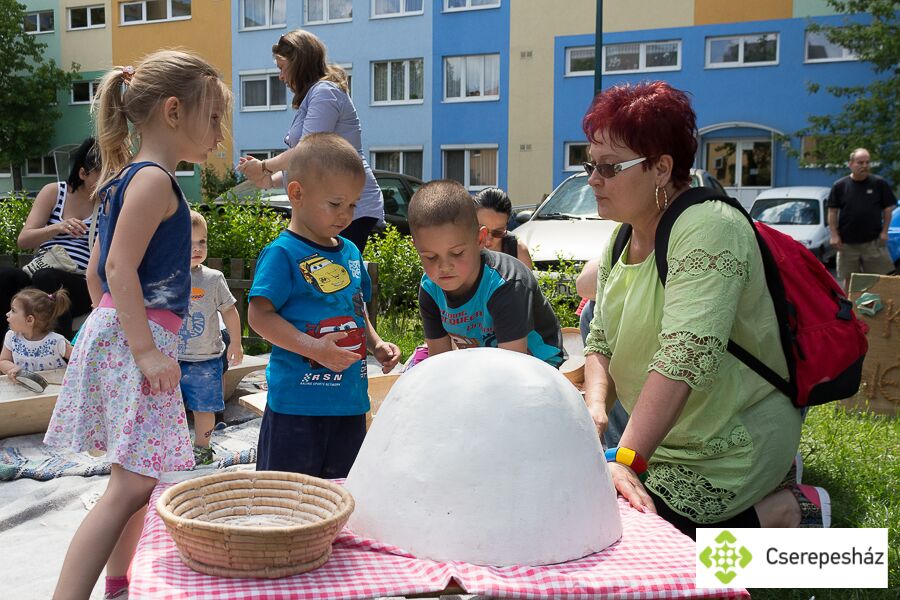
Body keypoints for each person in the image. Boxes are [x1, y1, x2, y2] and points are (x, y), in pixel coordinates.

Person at [580, 82, 825, 540]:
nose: (593, 179)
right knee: (592, 519)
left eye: (610, 168)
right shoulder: (620, 238)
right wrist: (594, 411)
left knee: (648, 545)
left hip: (728, 444)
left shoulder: (710, 228)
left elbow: (684, 358)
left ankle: (792, 514)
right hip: (666, 437)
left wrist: (625, 460)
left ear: (661, 169)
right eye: (589, 164)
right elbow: (599, 340)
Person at [42, 50, 230, 600]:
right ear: (173, 111)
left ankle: (119, 585)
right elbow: (119, 268)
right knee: (130, 485)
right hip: (137, 340)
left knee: (135, 479)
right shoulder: (153, 182)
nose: (219, 131)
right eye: (213, 117)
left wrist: (112, 327)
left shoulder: (128, 179)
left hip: (122, 332)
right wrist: (144, 348)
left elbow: (100, 273)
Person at [248, 132, 400, 477]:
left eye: (353, 204)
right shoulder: (283, 253)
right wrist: (313, 348)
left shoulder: (349, 250)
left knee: (340, 497)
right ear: (297, 193)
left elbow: (356, 305)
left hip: (348, 404)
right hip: (297, 408)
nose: (346, 214)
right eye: (336, 204)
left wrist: (375, 344)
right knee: (286, 502)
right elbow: (258, 315)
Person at [237, 29, 384, 253]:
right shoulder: (318, 94)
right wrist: (269, 180)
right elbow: (307, 161)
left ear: (298, 62)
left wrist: (264, 166)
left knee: (330, 280)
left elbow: (307, 152)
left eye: (281, 67)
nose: (281, 76)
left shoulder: (325, 93)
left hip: (347, 205)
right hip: (334, 203)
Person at [409, 180, 565, 367]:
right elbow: (439, 362)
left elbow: (513, 371)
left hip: (537, 361)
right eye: (430, 257)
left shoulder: (506, 284)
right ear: (416, 248)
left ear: (480, 239)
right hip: (483, 360)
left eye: (457, 253)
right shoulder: (429, 287)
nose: (444, 266)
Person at [0, 138, 100, 340]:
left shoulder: (109, 202)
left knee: (47, 278)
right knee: (6, 276)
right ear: (83, 173)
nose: (110, 180)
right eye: (103, 174)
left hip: (81, 282)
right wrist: (58, 227)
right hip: (41, 273)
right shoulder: (54, 192)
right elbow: (24, 240)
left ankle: (57, 353)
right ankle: (5, 354)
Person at [177, 211, 244, 466]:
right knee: (170, 408)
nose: (197, 248)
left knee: (205, 408)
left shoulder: (213, 278)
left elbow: (229, 310)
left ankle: (202, 447)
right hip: (172, 359)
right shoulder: (166, 278)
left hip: (206, 358)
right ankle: (176, 446)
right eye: (188, 243)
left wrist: (235, 343)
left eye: (201, 242)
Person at [827, 147, 896, 290]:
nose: (864, 166)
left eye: (867, 162)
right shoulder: (840, 186)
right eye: (860, 163)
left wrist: (884, 232)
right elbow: (832, 211)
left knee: (880, 280)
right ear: (851, 164)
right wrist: (834, 235)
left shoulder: (879, 183)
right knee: (850, 280)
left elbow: (888, 209)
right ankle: (852, 310)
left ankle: (878, 311)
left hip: (873, 242)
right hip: (846, 244)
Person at [1, 288, 73, 380]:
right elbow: (3, 360)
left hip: (55, 390)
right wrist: (12, 369)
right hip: (24, 388)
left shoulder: (56, 341)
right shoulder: (11, 337)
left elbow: (79, 358)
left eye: (13, 310)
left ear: (29, 320)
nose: (7, 314)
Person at [474, 187, 533, 269]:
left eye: (497, 233)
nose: (487, 241)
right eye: (481, 230)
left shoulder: (518, 252)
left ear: (506, 226)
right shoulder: (458, 247)